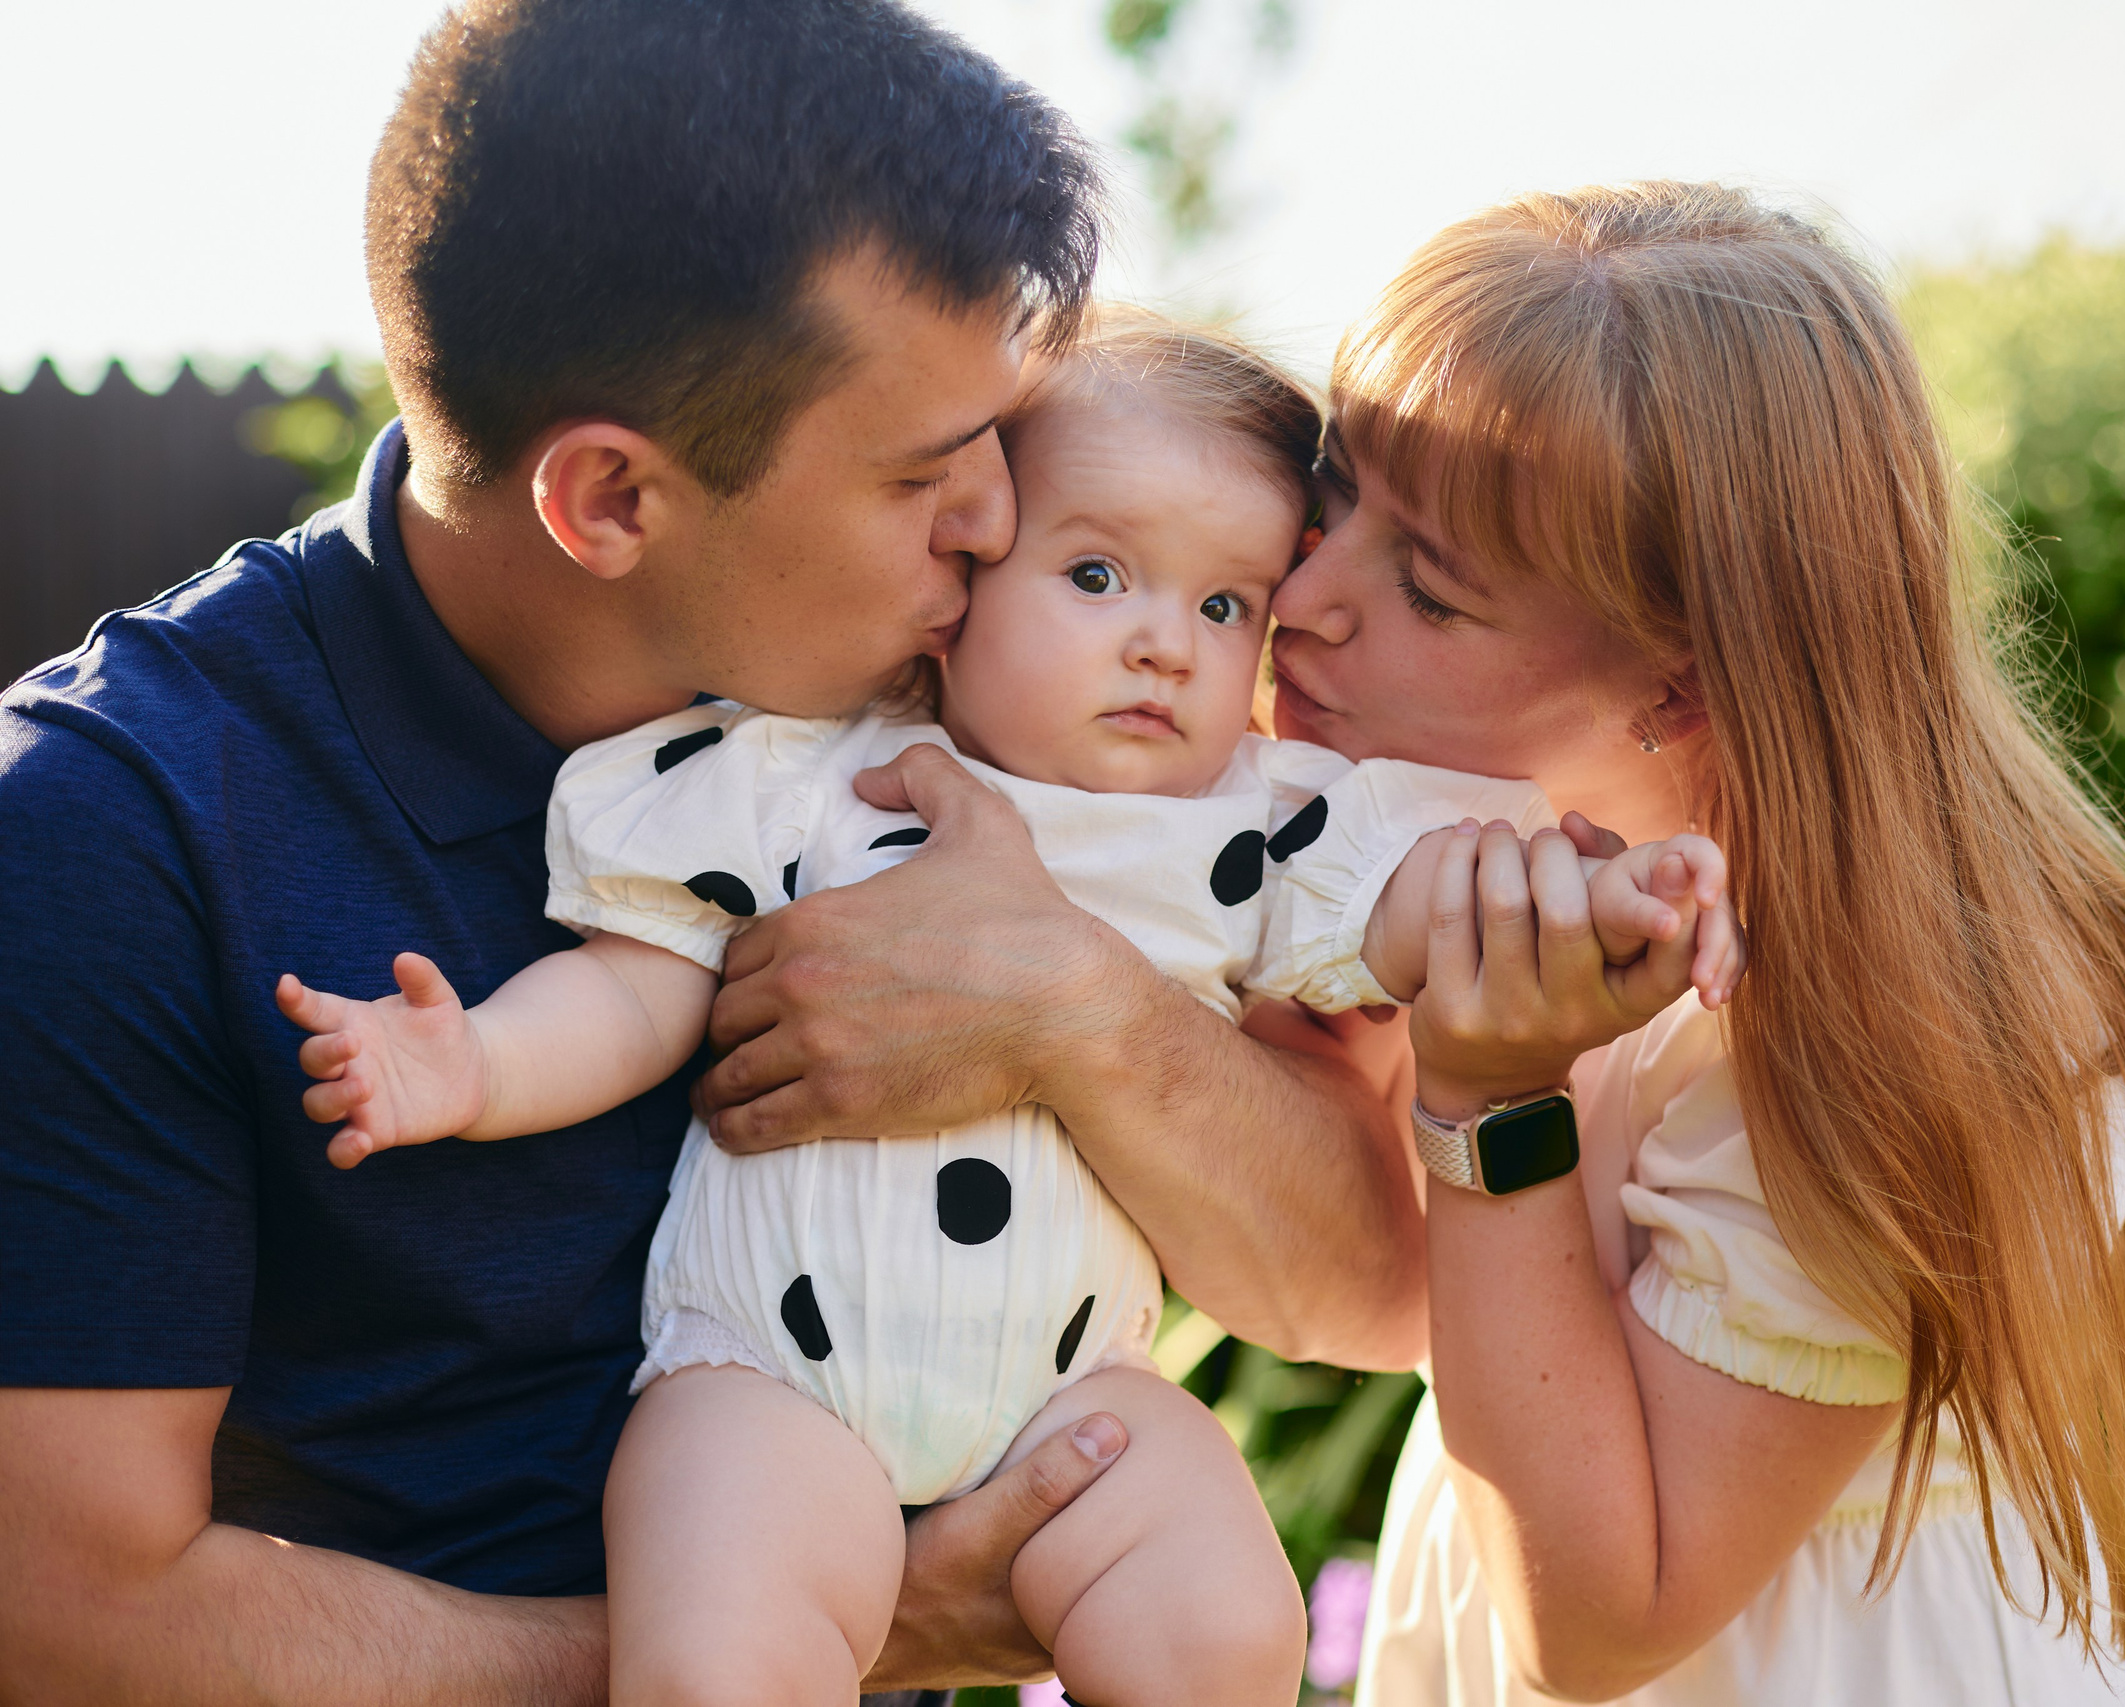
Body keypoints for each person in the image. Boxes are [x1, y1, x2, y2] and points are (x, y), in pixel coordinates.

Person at [0, 7, 1422, 1702]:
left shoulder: (976, 718)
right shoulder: (107, 831)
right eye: (923, 473)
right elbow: (70, 1609)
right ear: (610, 501)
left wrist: (1083, 1009)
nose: (996, 517)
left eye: (1000, 435)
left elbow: (1370, 1300)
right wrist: (852, 1628)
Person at [277, 310, 1740, 1706]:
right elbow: (638, 985)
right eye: (1098, 577)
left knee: (1227, 1624)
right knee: (724, 1657)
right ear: (962, 580)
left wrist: (1608, 895)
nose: (1169, 641)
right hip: (779, 1381)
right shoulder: (809, 776)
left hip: (1069, 1396)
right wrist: (473, 1063)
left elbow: (1441, 898)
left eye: (1225, 601)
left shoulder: (1252, 818)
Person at [1257, 183, 2125, 1704]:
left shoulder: (1924, 1015)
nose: (1298, 599)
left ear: (1682, 686)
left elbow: (1607, 1619)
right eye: (1333, 494)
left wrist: (1493, 1103)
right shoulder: (1487, 846)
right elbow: (1359, 1280)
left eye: (1426, 585)